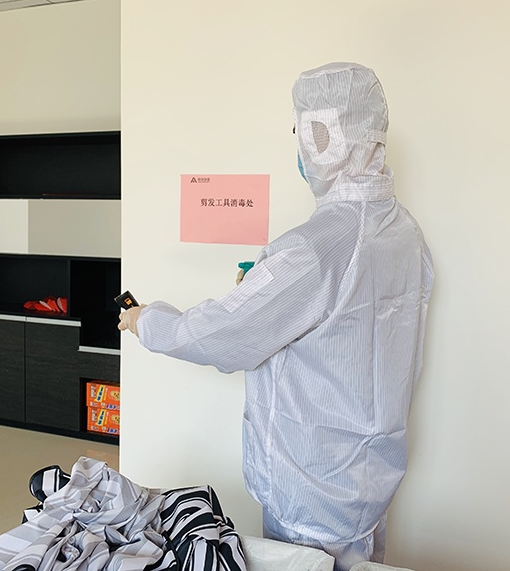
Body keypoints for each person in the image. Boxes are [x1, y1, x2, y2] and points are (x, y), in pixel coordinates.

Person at [119, 62, 434, 571]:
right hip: (371, 477)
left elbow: (222, 334)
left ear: (323, 137)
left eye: (302, 132)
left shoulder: (313, 248)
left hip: (313, 486)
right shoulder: (405, 232)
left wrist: (146, 321)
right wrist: (264, 292)